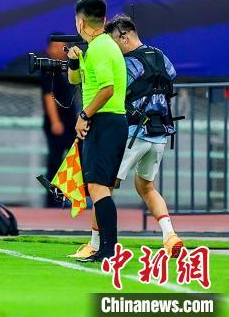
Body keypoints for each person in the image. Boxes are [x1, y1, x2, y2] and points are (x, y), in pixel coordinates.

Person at [70, 14, 184, 259]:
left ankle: (95, 243)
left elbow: (113, 89)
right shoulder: (161, 56)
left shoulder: (128, 63)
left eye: (113, 41)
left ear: (124, 37)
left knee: (102, 187)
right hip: (159, 134)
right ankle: (170, 235)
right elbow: (171, 77)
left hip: (133, 133)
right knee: (146, 186)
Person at [66, 0, 128, 263]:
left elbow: (107, 89)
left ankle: (109, 250)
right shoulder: (100, 46)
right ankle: (105, 248)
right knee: (98, 187)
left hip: (105, 121)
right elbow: (75, 80)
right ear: (104, 20)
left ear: (80, 22)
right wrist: (73, 61)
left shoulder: (101, 48)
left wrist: (84, 115)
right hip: (108, 122)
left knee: (99, 187)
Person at [41, 39, 78, 207]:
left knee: (74, 161)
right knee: (55, 162)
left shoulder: (70, 68)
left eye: (62, 47)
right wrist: (55, 121)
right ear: (48, 49)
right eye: (55, 46)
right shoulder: (49, 69)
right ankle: (52, 201)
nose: (59, 50)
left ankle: (72, 197)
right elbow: (48, 97)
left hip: (71, 124)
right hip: (57, 125)